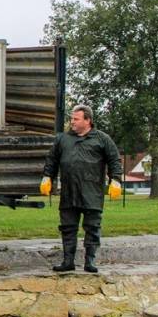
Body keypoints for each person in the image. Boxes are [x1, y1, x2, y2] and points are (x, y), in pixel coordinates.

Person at [40, 104, 122, 273]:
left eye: (76, 119)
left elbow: (114, 160)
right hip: (69, 192)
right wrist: (47, 177)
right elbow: (52, 160)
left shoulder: (102, 139)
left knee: (92, 227)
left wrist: (116, 180)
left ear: (88, 120)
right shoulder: (62, 139)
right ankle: (68, 261)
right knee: (68, 227)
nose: (72, 122)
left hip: (92, 192)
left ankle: (90, 261)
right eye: (71, 119)